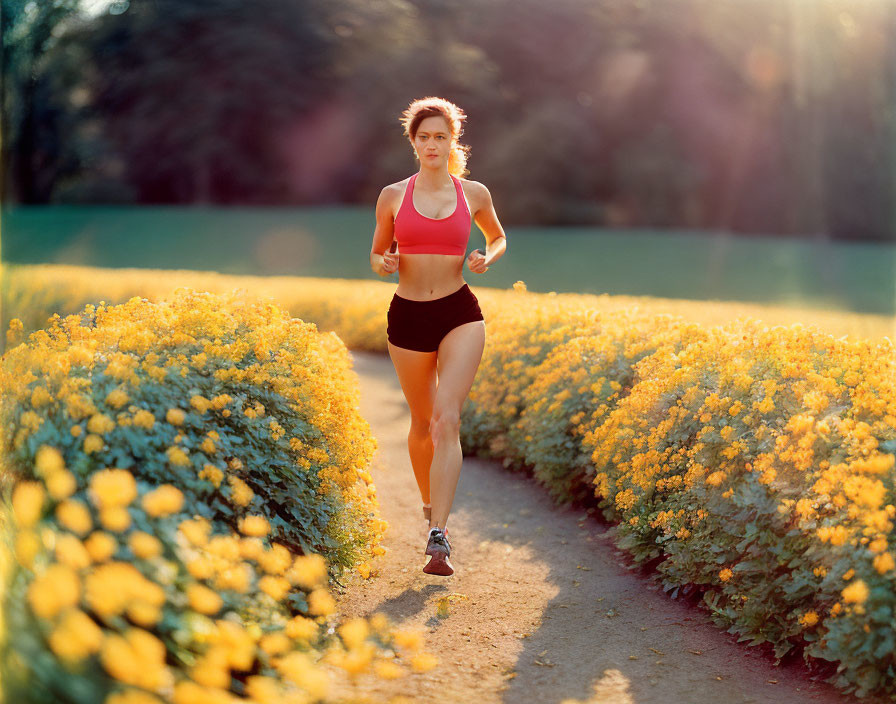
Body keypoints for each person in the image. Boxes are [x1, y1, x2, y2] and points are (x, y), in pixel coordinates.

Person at [369, 96, 507, 576]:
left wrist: (487, 257)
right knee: (424, 422)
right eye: (424, 137)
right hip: (407, 315)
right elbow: (377, 252)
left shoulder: (474, 193)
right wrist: (383, 262)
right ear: (414, 142)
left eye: (440, 136)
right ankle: (431, 506)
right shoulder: (392, 195)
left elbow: (497, 236)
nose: (432, 144)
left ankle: (438, 535)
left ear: (453, 142)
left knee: (448, 419)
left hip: (459, 311)